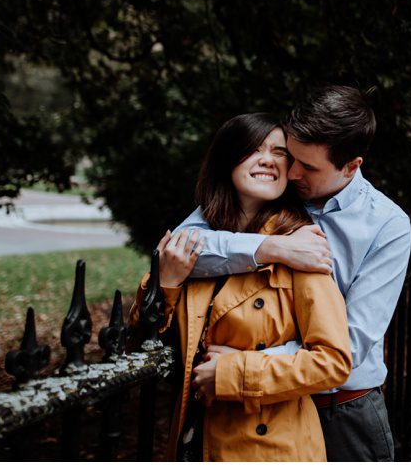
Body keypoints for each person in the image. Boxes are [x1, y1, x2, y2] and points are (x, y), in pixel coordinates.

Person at [176, 85, 411, 462]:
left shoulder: (387, 225)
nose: (293, 171)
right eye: (292, 156)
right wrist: (269, 248)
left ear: (352, 166)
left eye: (310, 167)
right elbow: (184, 247)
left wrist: (244, 364)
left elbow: (347, 350)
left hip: (340, 411)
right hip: (262, 417)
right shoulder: (276, 189)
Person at [129, 113, 352, 461]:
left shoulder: (301, 247)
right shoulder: (193, 246)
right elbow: (140, 347)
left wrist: (234, 373)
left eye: (279, 152)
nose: (267, 159)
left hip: (272, 449)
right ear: (226, 160)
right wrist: (167, 283)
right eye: (253, 149)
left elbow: (333, 362)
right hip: (196, 441)